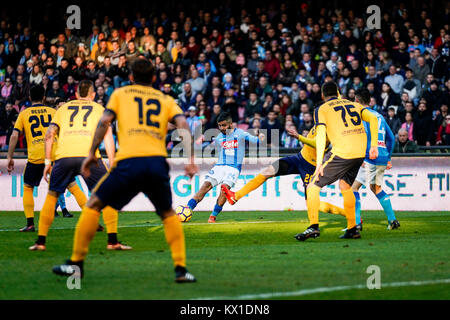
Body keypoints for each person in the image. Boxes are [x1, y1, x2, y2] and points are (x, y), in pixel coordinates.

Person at [52, 59, 199, 283]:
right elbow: (183, 125)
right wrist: (190, 159)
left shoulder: (121, 94)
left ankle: (76, 264)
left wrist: (92, 152)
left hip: (129, 162)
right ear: (153, 78)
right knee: (168, 214)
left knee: (93, 205)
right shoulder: (166, 99)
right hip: (156, 164)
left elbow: (104, 122)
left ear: (130, 76)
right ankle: (181, 270)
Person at [28, 80, 129, 251]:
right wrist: (112, 163)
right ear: (93, 95)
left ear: (76, 94)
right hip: (89, 156)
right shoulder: (98, 108)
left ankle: (40, 242)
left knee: (52, 196)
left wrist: (47, 161)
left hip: (64, 156)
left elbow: (49, 134)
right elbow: (108, 134)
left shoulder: (63, 108)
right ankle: (112, 241)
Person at [296, 82, 379, 241]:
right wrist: (373, 145)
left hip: (343, 152)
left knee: (313, 186)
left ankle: (313, 226)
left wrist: (319, 162)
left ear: (322, 95)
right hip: (360, 152)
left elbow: (320, 135)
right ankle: (352, 228)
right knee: (345, 186)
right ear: (338, 92)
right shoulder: (352, 104)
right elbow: (374, 118)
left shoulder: (321, 109)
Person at [320, 89, 400, 230]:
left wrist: (361, 156)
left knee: (352, 188)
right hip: (381, 156)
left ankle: (356, 223)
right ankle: (392, 220)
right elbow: (391, 138)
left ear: (356, 101)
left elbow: (364, 136)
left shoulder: (361, 115)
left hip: (368, 157)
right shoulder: (380, 116)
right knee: (376, 188)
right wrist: (388, 158)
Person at [186, 112, 263, 223]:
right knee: (205, 186)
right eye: (219, 126)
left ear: (230, 124)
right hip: (219, 166)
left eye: (224, 125)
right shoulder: (218, 138)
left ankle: (213, 216)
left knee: (224, 190)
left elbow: (256, 141)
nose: (221, 128)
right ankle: (187, 210)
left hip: (233, 168)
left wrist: (260, 136)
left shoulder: (241, 134)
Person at [6, 85, 56, 231]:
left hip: (35, 158)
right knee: (71, 185)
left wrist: (10, 156)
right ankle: (93, 219)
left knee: (28, 188)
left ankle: (30, 224)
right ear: (44, 97)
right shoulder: (53, 112)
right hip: (52, 155)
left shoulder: (24, 113)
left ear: (29, 98)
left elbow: (15, 135)